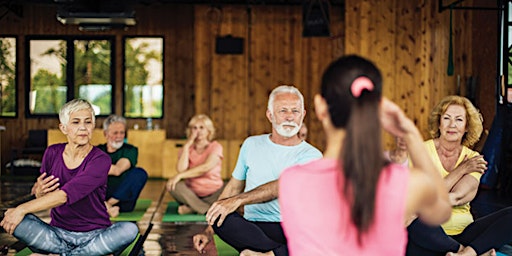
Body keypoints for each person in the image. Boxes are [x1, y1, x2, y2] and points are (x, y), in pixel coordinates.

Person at [278, 55, 452, 255]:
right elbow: (442, 210)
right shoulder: (406, 183)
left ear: (320, 106)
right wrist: (410, 134)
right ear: (376, 108)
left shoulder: (291, 181)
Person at [192, 85, 322, 255]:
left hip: (292, 228)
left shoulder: (312, 155)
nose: (290, 116)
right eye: (283, 110)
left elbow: (281, 186)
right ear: (270, 115)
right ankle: (274, 253)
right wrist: (208, 231)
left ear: (303, 114)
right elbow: (233, 187)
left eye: (295, 111)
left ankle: (263, 253)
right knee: (220, 216)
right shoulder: (251, 144)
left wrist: (238, 201)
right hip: (253, 228)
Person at [0, 99, 138, 255]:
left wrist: (21, 209)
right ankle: (82, 253)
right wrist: (38, 192)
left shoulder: (101, 159)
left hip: (95, 234)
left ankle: (67, 253)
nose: (83, 128)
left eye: (88, 122)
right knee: (14, 219)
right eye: (76, 122)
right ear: (63, 128)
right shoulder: (52, 153)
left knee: (129, 229)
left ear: (93, 126)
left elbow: (66, 195)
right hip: (58, 234)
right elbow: (39, 191)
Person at [406, 95, 512, 256]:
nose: (452, 125)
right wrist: (462, 170)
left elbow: (456, 197)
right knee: (413, 219)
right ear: (439, 123)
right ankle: (465, 253)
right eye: (446, 118)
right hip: (427, 235)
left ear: (467, 127)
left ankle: (466, 252)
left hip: (465, 233)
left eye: (459, 120)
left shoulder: (474, 159)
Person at [166, 114, 224, 215]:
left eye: (202, 128)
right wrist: (187, 146)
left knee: (235, 188)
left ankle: (193, 208)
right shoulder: (186, 149)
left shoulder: (216, 146)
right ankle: (207, 209)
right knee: (173, 185)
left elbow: (206, 167)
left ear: (208, 130)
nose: (198, 131)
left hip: (215, 192)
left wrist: (180, 176)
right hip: (192, 194)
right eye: (195, 128)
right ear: (190, 130)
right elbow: (181, 169)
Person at [97, 115, 148, 218]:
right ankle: (104, 207)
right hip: (100, 197)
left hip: (123, 200)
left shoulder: (130, 150)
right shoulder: (97, 151)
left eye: (122, 133)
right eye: (115, 133)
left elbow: (117, 170)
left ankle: (107, 205)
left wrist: (96, 168)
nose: (119, 136)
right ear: (105, 134)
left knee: (140, 173)